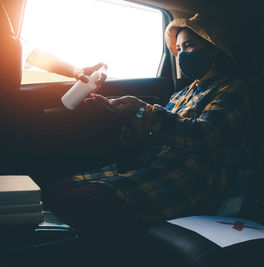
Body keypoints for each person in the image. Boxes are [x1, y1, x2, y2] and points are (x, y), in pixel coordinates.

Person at [34, 13, 249, 266]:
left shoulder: (232, 90)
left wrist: (144, 109)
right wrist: (128, 114)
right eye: (179, 48)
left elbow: (203, 135)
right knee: (53, 191)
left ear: (212, 50)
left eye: (189, 46)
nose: (182, 54)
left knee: (76, 204)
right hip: (151, 169)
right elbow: (144, 139)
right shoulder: (181, 93)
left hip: (186, 180)